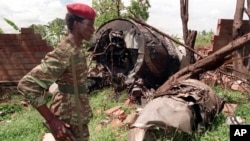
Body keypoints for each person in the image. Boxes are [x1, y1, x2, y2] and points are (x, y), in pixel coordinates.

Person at [17, 3, 96, 141]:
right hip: (68, 117)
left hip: (77, 114)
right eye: (89, 25)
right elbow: (26, 84)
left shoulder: (77, 49)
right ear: (77, 24)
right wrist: (52, 119)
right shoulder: (65, 52)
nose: (93, 29)